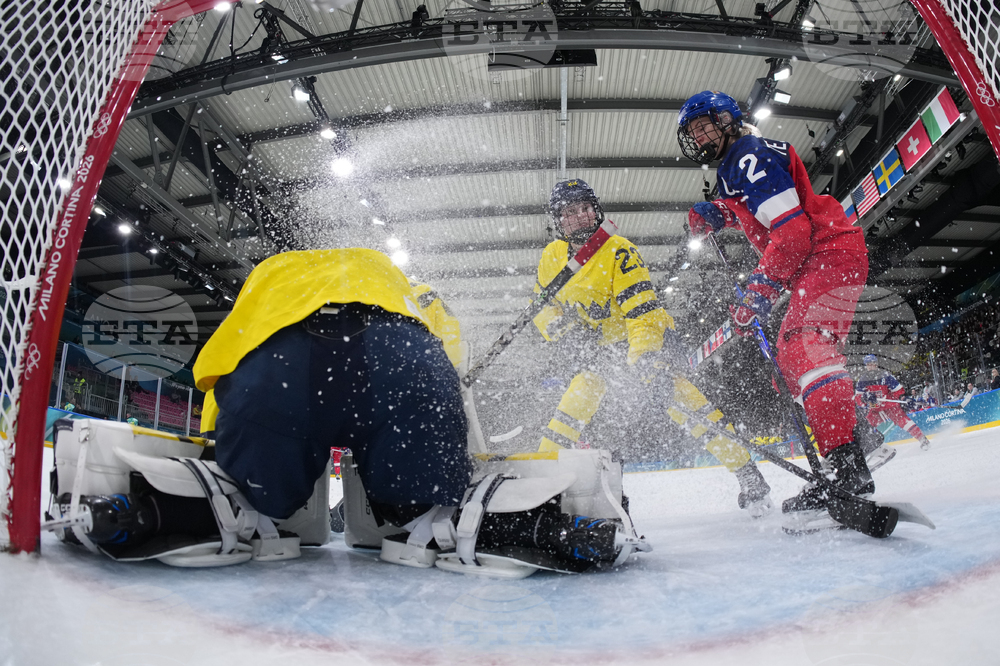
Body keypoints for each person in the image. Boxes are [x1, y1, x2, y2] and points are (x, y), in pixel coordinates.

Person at [65, 249, 640, 571]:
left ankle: (146, 512)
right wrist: (448, 454)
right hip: (399, 353)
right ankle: (542, 527)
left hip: (279, 359)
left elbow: (226, 374)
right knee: (427, 511)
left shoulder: (273, 277)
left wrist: (231, 462)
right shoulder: (400, 285)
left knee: (254, 502)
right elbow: (449, 370)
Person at [677, 91, 873, 530]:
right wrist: (719, 211)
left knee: (805, 350)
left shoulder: (748, 153)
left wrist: (757, 293)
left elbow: (793, 234)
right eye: (694, 132)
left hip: (826, 254)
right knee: (788, 362)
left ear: (729, 121)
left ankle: (849, 470)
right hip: (819, 262)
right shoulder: (739, 164)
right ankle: (850, 447)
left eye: (707, 125)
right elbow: (757, 205)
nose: (700, 136)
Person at [532, 178, 773, 516]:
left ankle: (748, 474)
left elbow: (643, 313)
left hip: (646, 342)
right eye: (571, 211)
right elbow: (542, 304)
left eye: (586, 207)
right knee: (571, 408)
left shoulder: (620, 251)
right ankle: (538, 481)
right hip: (599, 350)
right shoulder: (550, 257)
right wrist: (565, 333)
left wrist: (645, 360)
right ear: (557, 219)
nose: (581, 216)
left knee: (689, 407)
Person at [856, 354, 930, 452]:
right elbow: (858, 398)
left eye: (872, 364)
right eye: (868, 364)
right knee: (867, 426)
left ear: (876, 364)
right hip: (874, 408)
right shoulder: (862, 380)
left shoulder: (886, 376)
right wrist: (865, 399)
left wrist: (902, 398)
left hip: (889, 405)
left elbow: (898, 391)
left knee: (903, 420)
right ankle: (870, 449)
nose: (870, 366)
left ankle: (922, 439)